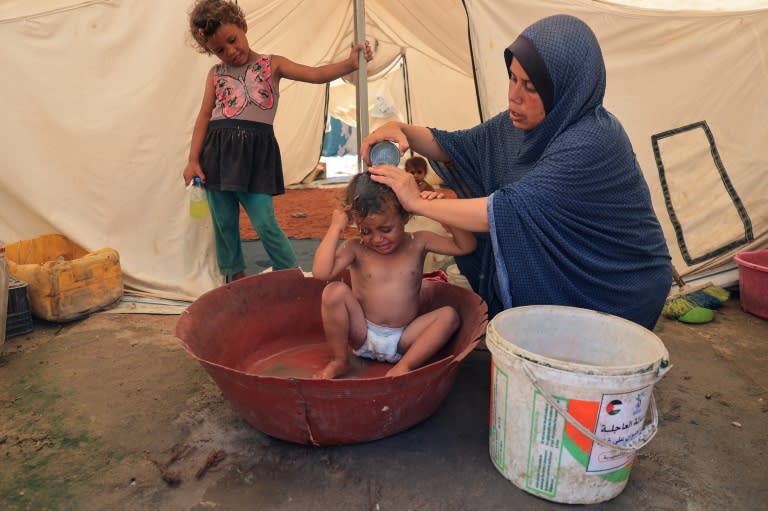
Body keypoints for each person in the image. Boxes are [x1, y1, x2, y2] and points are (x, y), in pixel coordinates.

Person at [362, 14, 672, 330]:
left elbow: (507, 210)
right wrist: (401, 130)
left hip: (613, 285)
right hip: (570, 270)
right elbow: (459, 145)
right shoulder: (525, 122)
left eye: (530, 86)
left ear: (565, 88)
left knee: (580, 360)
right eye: (512, 78)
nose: (514, 95)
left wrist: (417, 202)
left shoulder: (592, 140)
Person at [183, 0, 373, 282]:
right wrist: (193, 160)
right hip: (218, 155)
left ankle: (291, 275)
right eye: (219, 50)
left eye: (233, 40)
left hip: (255, 156)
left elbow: (316, 74)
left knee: (265, 223)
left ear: (242, 25)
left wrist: (348, 64)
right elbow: (203, 118)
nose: (230, 52)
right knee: (224, 224)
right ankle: (233, 279)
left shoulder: (273, 64)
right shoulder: (215, 75)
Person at [311, 173, 477, 379]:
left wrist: (439, 212)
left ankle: (404, 366)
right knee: (332, 291)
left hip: (404, 338)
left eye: (386, 229)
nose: (377, 239)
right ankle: (339, 361)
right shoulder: (356, 248)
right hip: (362, 332)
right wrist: (335, 227)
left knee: (449, 316)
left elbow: (466, 246)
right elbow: (321, 273)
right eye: (365, 231)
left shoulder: (419, 242)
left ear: (405, 216)